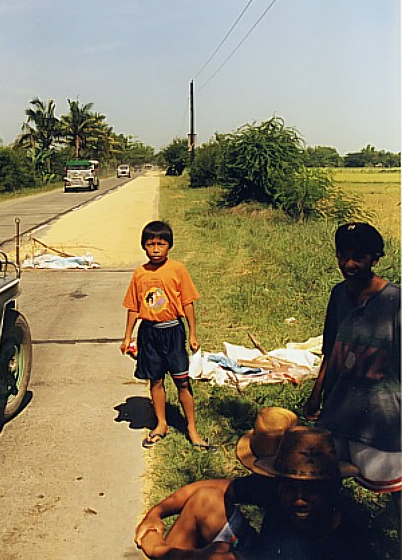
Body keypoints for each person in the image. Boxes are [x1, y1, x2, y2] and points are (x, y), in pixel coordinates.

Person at [135, 407, 374, 559]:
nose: (299, 498)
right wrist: (156, 513)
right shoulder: (275, 489)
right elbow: (207, 488)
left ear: (333, 489)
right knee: (205, 500)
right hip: (260, 552)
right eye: (289, 488)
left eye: (313, 491)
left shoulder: (347, 542)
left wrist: (162, 550)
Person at [304, 222, 401, 518]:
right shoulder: (339, 296)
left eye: (358, 257)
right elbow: (331, 350)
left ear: (375, 258)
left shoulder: (395, 302)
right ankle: (331, 536)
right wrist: (316, 395)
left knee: (395, 488)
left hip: (383, 418)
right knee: (324, 480)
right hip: (340, 410)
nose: (348, 264)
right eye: (342, 255)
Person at [121, 220, 211, 449]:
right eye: (150, 244)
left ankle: (191, 427)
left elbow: (188, 302)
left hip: (173, 331)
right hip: (149, 334)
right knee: (156, 380)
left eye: (161, 244)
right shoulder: (140, 273)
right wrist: (127, 336)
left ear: (169, 245)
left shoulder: (177, 269)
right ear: (143, 246)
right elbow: (133, 307)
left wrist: (192, 334)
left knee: (182, 381)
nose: (156, 249)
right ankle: (161, 423)